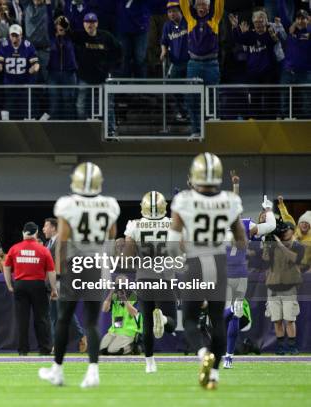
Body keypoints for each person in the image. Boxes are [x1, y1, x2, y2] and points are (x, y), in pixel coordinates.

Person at [168, 152, 246, 390]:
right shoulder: (230, 201)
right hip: (219, 261)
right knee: (217, 321)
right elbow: (241, 240)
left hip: (194, 262)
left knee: (190, 319)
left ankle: (203, 352)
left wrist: (179, 261)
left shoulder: (183, 199)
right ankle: (214, 376)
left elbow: (173, 240)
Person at [39, 162, 120, 388]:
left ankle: (58, 370)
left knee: (64, 318)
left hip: (75, 263)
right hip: (96, 263)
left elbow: (63, 239)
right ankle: (93, 371)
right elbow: (112, 233)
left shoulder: (68, 204)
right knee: (92, 322)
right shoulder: (109, 204)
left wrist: (58, 275)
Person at [223, 172, 276, 368]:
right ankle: (229, 356)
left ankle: (230, 311)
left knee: (220, 314)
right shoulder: (245, 225)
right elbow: (271, 225)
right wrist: (268, 208)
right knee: (235, 316)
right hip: (241, 274)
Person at [123, 191, 177, 373]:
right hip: (165, 277)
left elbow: (128, 257)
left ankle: (149, 363)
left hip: (144, 278)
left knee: (146, 321)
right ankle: (162, 318)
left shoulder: (135, 225)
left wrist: (130, 242)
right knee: (171, 324)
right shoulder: (171, 224)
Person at [3, 222, 57, 355]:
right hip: (38, 285)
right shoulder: (43, 250)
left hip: (20, 285)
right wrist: (54, 289)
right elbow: (51, 271)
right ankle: (44, 348)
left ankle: (23, 350)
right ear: (36, 233)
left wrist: (9, 284)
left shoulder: (14, 248)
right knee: (42, 319)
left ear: (23, 233)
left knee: (22, 319)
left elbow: (6, 266)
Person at [179, 0, 225, 136]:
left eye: (204, 4)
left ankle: (212, 132)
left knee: (212, 99)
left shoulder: (214, 19)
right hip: (194, 64)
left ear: (209, 7)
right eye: (198, 4)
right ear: (194, 6)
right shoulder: (190, 19)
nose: (201, 7)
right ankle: (196, 131)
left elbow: (219, 2)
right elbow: (183, 2)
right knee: (192, 98)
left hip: (211, 64)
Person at [43, 217, 86, 352]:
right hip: (52, 284)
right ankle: (57, 346)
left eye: (46, 226)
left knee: (64, 313)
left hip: (62, 283)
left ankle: (82, 335)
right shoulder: (48, 244)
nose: (44, 229)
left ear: (54, 228)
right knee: (54, 317)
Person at [263, 220, 306, 355]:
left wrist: (280, 245)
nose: (284, 232)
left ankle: (292, 346)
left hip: (289, 288)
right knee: (276, 320)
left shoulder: (298, 246)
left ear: (292, 230)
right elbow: (265, 260)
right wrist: (267, 244)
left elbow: (295, 259)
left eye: (286, 230)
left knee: (290, 319)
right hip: (273, 287)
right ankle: (281, 346)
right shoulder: (273, 245)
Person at [71, 12, 121, 126]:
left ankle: (111, 131)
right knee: (80, 105)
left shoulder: (106, 36)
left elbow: (119, 52)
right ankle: (83, 132)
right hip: (84, 78)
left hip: (103, 78)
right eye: (87, 22)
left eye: (92, 22)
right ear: (83, 24)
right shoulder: (79, 37)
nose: (90, 25)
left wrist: (112, 68)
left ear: (97, 24)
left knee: (107, 106)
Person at [229, 11, 280, 118]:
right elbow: (237, 39)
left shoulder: (270, 34)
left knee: (269, 98)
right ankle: (255, 120)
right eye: (256, 21)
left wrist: (275, 36)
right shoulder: (250, 35)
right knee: (254, 99)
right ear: (253, 22)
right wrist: (234, 27)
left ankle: (270, 119)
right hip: (253, 74)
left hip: (268, 74)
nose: (258, 23)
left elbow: (277, 41)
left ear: (266, 21)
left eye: (261, 20)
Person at [0, 24, 40, 119]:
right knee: (9, 106)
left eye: (16, 35)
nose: (14, 38)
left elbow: (36, 63)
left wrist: (34, 68)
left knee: (24, 107)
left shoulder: (27, 45)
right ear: (9, 35)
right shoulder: (4, 45)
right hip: (10, 82)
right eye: (12, 35)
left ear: (21, 35)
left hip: (24, 83)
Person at [160, 1, 189, 120]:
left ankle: (189, 112)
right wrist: (163, 51)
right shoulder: (167, 25)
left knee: (189, 89)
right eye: (169, 12)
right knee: (175, 88)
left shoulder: (187, 22)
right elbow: (164, 41)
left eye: (174, 11)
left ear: (180, 11)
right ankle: (182, 112)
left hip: (189, 62)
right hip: (175, 63)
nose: (172, 14)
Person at [100, 275, 142, 355]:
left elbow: (134, 314)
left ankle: (133, 347)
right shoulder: (115, 296)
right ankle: (118, 344)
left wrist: (124, 299)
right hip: (115, 330)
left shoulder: (134, 295)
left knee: (113, 351)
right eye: (117, 285)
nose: (120, 287)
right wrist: (111, 293)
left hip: (129, 331)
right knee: (102, 350)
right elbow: (104, 309)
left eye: (122, 285)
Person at [47, 16, 78, 120]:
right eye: (58, 24)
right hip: (53, 74)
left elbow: (72, 20)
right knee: (54, 102)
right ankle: (54, 129)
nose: (60, 27)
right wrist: (48, 5)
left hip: (68, 74)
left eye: (63, 25)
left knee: (68, 101)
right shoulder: (52, 37)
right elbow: (49, 21)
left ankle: (70, 127)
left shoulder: (71, 38)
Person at [115, 0, 151, 77]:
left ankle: (141, 85)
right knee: (124, 57)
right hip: (123, 27)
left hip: (141, 28)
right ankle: (123, 85)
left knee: (139, 58)